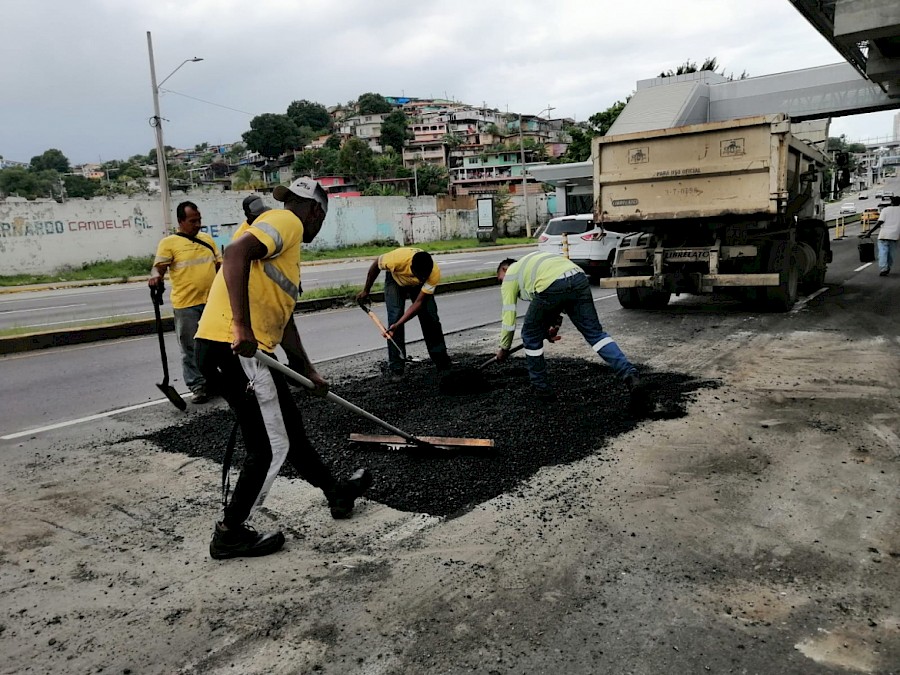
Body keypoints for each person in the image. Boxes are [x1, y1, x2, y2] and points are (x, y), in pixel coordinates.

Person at [195, 177, 372, 560]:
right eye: (319, 217)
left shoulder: (282, 250)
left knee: (290, 429)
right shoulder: (288, 222)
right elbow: (236, 254)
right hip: (238, 347)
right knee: (270, 445)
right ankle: (230, 532)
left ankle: (336, 492)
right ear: (316, 211)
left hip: (241, 349)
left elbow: (283, 315)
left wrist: (305, 367)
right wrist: (241, 326)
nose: (316, 224)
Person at [495, 252, 647, 408]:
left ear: (505, 270)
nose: (502, 283)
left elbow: (508, 317)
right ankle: (630, 374)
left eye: (500, 279)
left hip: (551, 285)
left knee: (529, 335)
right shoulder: (531, 264)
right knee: (595, 334)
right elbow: (557, 302)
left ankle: (542, 391)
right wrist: (554, 326)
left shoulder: (511, 275)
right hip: (578, 278)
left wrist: (504, 348)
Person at [148, 201, 221, 404]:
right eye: (192, 221)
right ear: (181, 221)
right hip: (186, 305)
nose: (197, 224)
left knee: (216, 346)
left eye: (199, 220)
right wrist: (155, 277)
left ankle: (214, 381)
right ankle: (198, 386)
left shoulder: (207, 239)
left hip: (212, 303)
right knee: (190, 347)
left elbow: (220, 266)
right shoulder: (169, 243)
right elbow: (158, 268)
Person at [356, 247, 452, 382]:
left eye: (424, 276)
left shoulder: (433, 273)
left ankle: (442, 362)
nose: (421, 279)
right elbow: (375, 265)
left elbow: (418, 303)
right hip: (396, 280)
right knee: (394, 318)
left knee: (430, 318)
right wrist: (366, 290)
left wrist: (399, 323)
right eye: (419, 276)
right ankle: (396, 367)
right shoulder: (396, 260)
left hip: (419, 290)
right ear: (411, 268)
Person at [868, 195, 900, 276]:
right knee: (891, 253)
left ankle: (884, 268)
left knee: (883, 252)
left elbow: (880, 222)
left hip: (883, 235)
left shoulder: (885, 210)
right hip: (895, 235)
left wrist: (869, 232)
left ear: (891, 202)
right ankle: (888, 266)